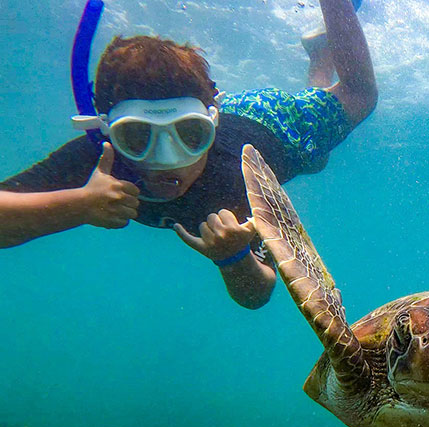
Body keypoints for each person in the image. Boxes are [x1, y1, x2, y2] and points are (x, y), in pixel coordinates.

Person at [0, 0, 377, 310]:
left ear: (208, 128)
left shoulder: (234, 178)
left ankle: (326, 37)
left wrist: (233, 258)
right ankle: (320, 55)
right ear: (106, 132)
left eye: (189, 135)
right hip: (220, 118)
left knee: (333, 133)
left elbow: (257, 294)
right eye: (137, 136)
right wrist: (76, 205)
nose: (167, 158)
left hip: (272, 123)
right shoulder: (100, 156)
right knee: (320, 159)